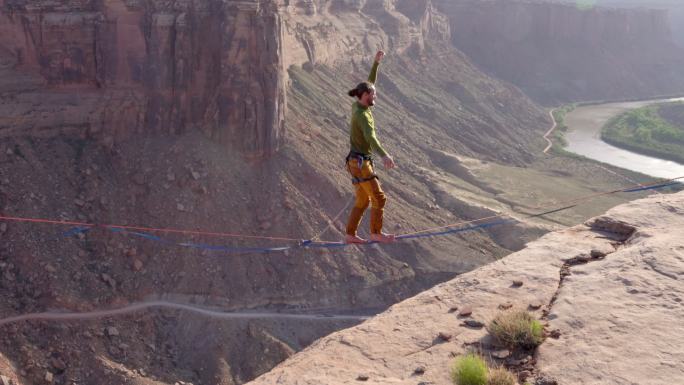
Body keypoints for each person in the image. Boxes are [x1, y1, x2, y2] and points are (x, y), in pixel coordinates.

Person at [344, 50, 396, 244]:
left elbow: (368, 84)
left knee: (363, 200)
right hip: (361, 163)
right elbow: (371, 137)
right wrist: (384, 155)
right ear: (365, 95)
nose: (376, 96)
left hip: (354, 162)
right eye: (373, 94)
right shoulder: (363, 115)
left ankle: (350, 234)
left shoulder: (357, 105)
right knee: (379, 199)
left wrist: (376, 64)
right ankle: (375, 232)